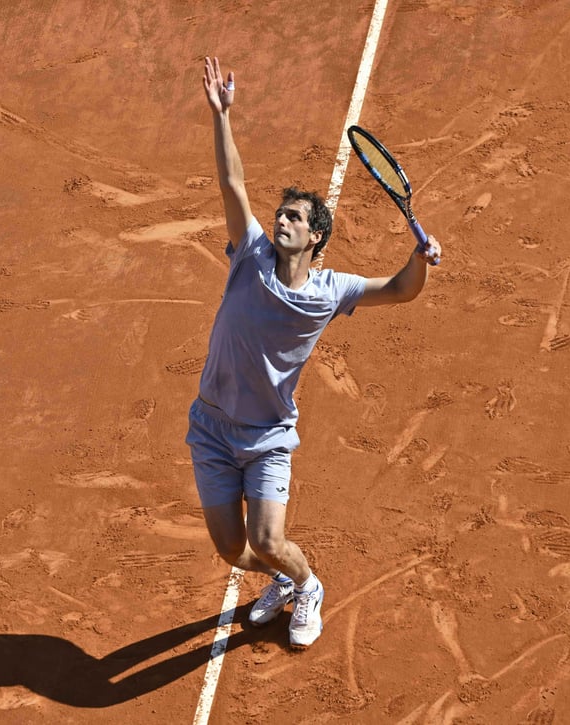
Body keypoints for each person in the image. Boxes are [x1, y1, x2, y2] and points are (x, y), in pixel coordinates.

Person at [186, 57, 441, 649]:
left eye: (295, 217)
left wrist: (418, 258)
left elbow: (401, 291)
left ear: (316, 236)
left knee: (270, 540)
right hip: (211, 427)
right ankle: (277, 580)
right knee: (232, 549)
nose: (281, 219)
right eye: (282, 212)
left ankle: (306, 584)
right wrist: (222, 117)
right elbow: (232, 185)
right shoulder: (248, 253)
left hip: (268, 434)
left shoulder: (332, 292)